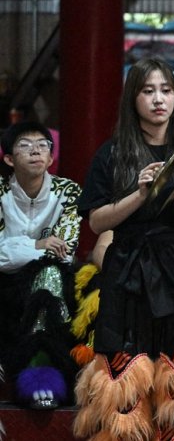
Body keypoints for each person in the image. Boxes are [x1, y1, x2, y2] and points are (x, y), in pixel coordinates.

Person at [73, 57, 174, 441]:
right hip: (127, 270)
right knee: (125, 379)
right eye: (148, 91)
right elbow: (97, 223)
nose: (159, 99)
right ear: (133, 99)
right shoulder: (112, 154)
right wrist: (139, 194)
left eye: (166, 90)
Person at [0, 121, 80, 410]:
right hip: (4, 287)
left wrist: (15, 249)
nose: (35, 150)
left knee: (49, 274)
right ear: (8, 158)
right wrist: (37, 245)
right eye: (24, 145)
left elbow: (64, 252)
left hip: (50, 284)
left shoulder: (68, 192)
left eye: (42, 145)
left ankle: (41, 370)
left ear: (50, 157)